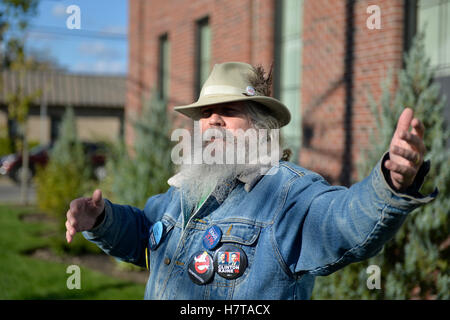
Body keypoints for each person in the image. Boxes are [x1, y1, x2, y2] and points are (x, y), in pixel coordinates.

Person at [65, 62, 437, 299]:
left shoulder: (288, 193)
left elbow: (342, 223)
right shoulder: (184, 189)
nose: (212, 120)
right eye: (205, 112)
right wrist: (102, 220)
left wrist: (390, 182)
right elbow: (147, 235)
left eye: (228, 111)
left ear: (262, 125)